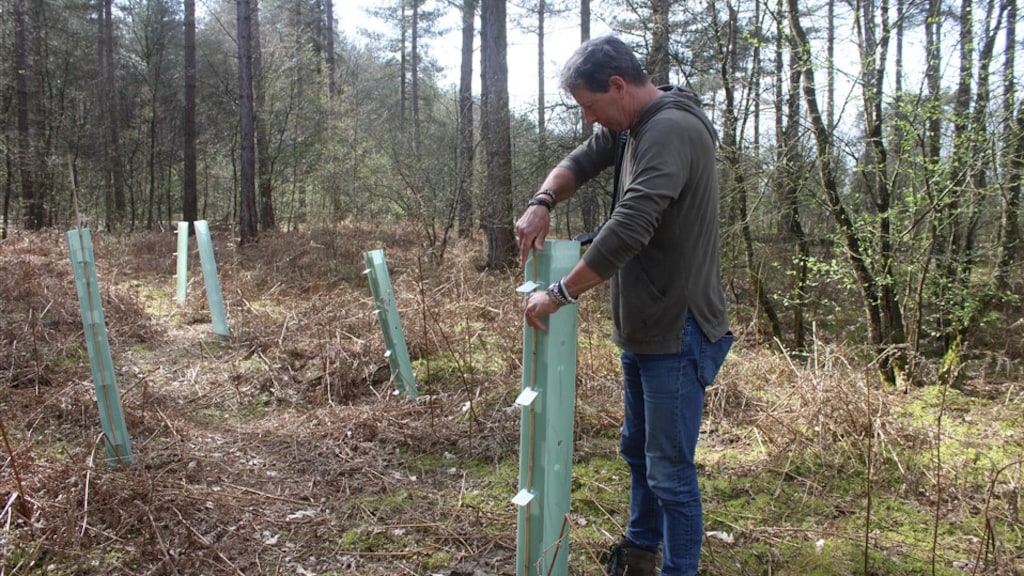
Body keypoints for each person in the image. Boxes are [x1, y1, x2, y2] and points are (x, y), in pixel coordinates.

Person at [514, 35, 733, 576]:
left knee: (671, 471)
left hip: (678, 328)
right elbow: (582, 159)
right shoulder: (631, 125)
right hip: (644, 324)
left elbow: (631, 224)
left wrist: (560, 294)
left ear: (618, 86)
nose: (589, 118)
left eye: (590, 105)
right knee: (638, 451)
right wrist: (543, 201)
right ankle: (639, 551)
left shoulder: (671, 129)